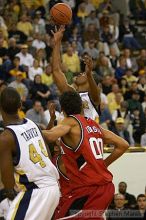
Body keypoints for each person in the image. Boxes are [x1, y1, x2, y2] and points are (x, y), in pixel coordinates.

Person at [43, 90, 129, 219]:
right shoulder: (95, 125)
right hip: (105, 188)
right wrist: (101, 165)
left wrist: (29, 128)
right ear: (81, 106)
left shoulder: (70, 122)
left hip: (89, 190)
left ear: (63, 110)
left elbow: (50, 136)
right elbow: (123, 145)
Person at [0, 87, 60, 220]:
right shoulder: (33, 124)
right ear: (21, 106)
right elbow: (48, 156)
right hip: (53, 187)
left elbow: (8, 183)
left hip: (36, 191)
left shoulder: (5, 138)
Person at [51, 26, 101, 120]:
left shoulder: (93, 98)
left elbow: (96, 94)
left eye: (84, 74)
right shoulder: (70, 93)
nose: (80, 73)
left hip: (88, 134)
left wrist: (89, 74)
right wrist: (57, 43)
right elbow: (56, 70)